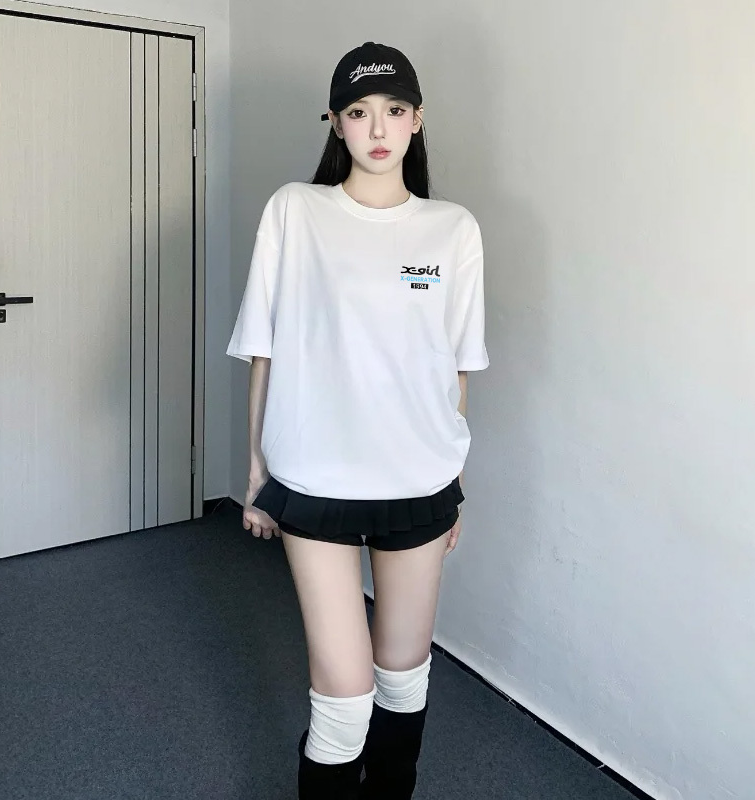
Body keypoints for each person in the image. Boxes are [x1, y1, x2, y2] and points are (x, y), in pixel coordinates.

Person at [226, 41, 489, 800]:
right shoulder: (296, 210)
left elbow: (456, 369)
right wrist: (257, 476)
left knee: (403, 680)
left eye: (394, 110)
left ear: (417, 121)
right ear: (335, 123)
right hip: (315, 480)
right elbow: (265, 349)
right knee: (344, 701)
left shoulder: (453, 229)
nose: (378, 128)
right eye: (358, 111)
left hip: (419, 481)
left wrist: (454, 484)